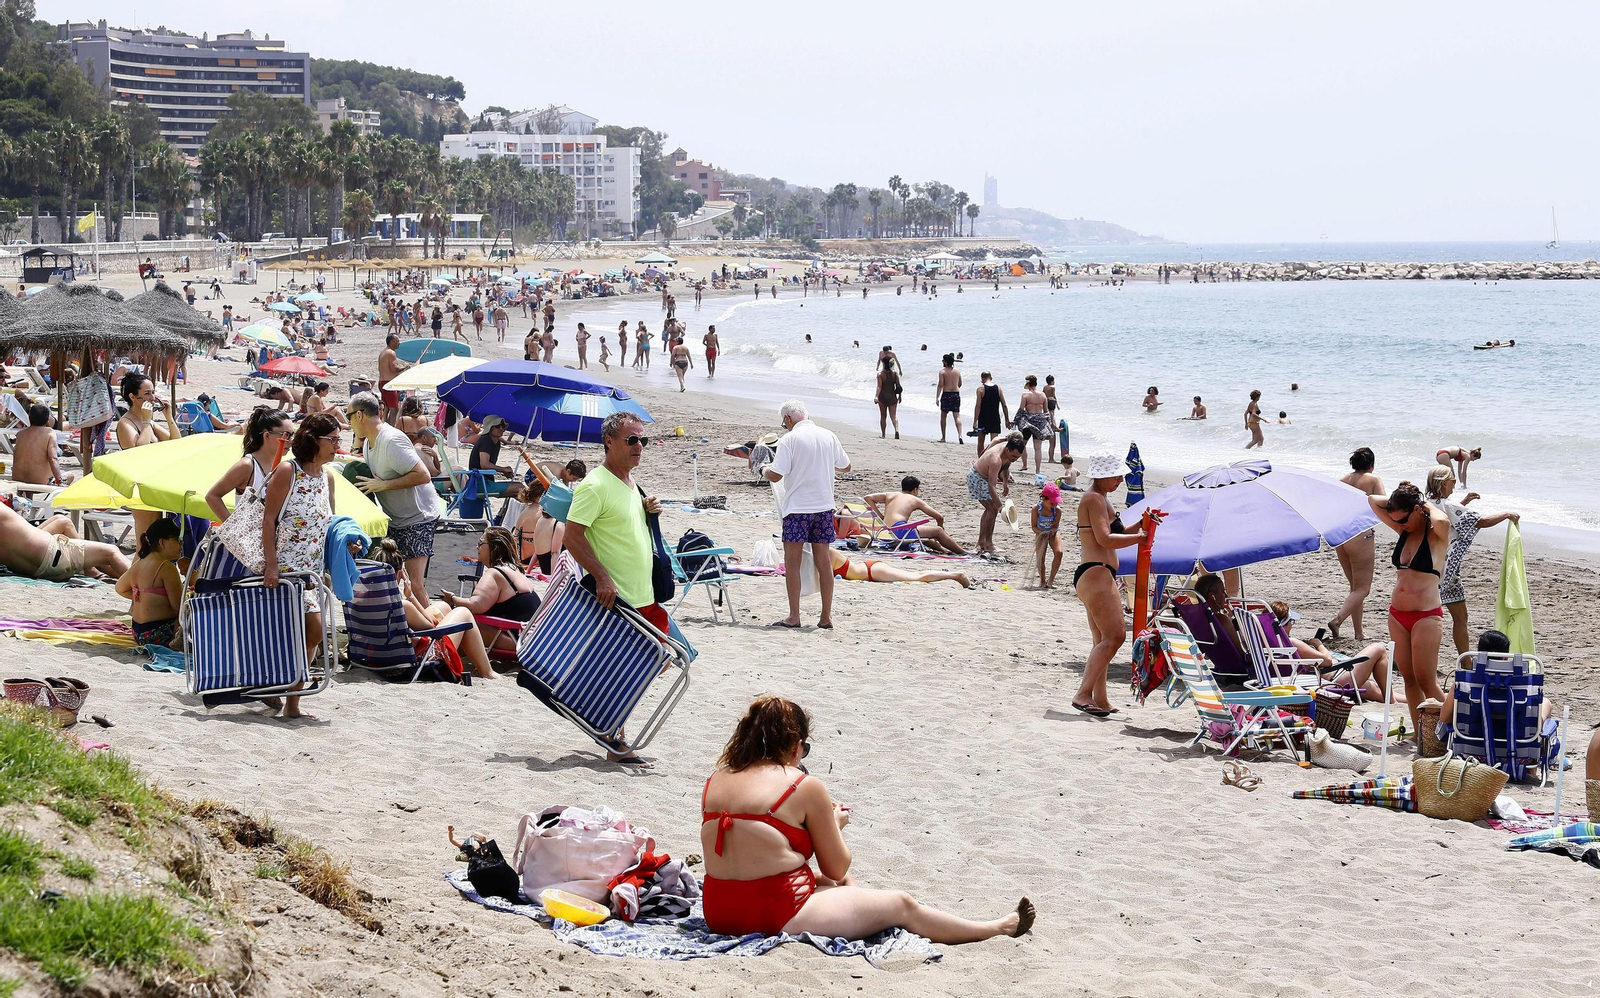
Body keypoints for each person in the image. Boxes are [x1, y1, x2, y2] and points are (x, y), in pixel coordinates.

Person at [700, 697, 1033, 941]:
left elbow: (756, 854)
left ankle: (860, 908)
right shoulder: (802, 785)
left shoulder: (717, 779)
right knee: (901, 904)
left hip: (718, 912)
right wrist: (835, 825)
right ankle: (996, 928)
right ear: (795, 745)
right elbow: (837, 866)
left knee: (832, 883)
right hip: (773, 915)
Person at [563, 412, 667, 766]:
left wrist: (648, 511)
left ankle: (608, 728)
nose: (640, 446)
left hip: (643, 593)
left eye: (643, 440)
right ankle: (612, 736)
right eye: (632, 440)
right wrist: (602, 577)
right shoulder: (595, 485)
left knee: (658, 660)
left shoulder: (629, 483)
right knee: (637, 663)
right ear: (609, 442)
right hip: (619, 596)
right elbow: (572, 536)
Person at [260, 413, 341, 721]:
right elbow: (269, 520)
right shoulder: (287, 471)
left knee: (311, 633)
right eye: (332, 439)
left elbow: (330, 523)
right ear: (313, 440)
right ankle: (280, 690)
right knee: (302, 632)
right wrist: (271, 566)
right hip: (285, 569)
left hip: (312, 572)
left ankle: (291, 700)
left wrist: (344, 546)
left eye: (338, 439)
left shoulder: (327, 476)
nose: (337, 446)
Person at [1368, 481, 1450, 734]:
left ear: (1417, 510)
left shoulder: (1436, 534)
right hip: (1398, 615)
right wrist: (1402, 504)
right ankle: (1421, 735)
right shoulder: (1403, 529)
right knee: (1409, 679)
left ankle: (1456, 728)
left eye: (1403, 519)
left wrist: (1423, 503)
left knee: (1427, 681)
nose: (1399, 525)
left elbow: (1443, 519)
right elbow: (1373, 500)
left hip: (1426, 616)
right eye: (1396, 521)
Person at [1071, 454, 1147, 716]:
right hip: (1096, 572)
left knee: (1103, 640)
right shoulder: (1093, 498)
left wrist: (1143, 524)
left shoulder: (1102, 498)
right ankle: (1083, 694)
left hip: (1097, 573)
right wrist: (1139, 538)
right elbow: (1104, 539)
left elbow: (1119, 532)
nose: (1120, 480)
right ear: (1101, 475)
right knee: (1115, 637)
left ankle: (1100, 698)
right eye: (1116, 476)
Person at [764, 400, 850, 629]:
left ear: (788, 419)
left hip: (798, 509)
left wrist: (763, 469)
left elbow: (776, 475)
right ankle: (826, 617)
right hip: (823, 506)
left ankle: (794, 616)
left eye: (784, 422)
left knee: (793, 562)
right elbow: (846, 465)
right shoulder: (828, 436)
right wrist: (823, 466)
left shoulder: (789, 439)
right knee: (824, 561)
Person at [348, 392, 441, 599]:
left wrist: (383, 485)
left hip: (419, 518)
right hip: (396, 520)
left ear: (359, 415)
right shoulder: (368, 443)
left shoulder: (391, 440)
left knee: (415, 585)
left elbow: (423, 475)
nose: (348, 423)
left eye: (349, 417)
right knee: (389, 580)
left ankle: (432, 622)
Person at [367, 536, 497, 679]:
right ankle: (488, 672)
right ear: (399, 574)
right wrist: (411, 596)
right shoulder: (401, 605)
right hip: (411, 663)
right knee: (463, 612)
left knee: (442, 606)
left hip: (376, 659)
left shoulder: (362, 599)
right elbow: (429, 628)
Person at [1427, 464, 1519, 657]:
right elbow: (1481, 522)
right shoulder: (1448, 506)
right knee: (1460, 618)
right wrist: (1506, 514)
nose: (1454, 484)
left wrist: (1464, 502)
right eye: (1452, 481)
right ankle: (1466, 662)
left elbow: (1448, 517)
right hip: (1447, 571)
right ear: (1443, 484)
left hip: (1426, 567)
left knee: (1425, 615)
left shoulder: (1426, 504)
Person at [435, 526, 536, 667]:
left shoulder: (496, 573)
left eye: (481, 543)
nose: (477, 547)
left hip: (517, 641)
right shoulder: (516, 571)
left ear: (494, 547)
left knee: (464, 625)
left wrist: (452, 599)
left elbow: (475, 605)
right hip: (532, 640)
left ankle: (437, 658)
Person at [1268, 600, 1393, 700]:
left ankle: (1398, 701)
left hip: (1310, 680)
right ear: (1284, 624)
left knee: (1374, 688)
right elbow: (1327, 661)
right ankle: (1391, 702)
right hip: (1334, 681)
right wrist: (1318, 644)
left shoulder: (1266, 644)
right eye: (1291, 622)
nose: (1292, 625)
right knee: (1379, 648)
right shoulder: (1291, 643)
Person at [1329, 447, 1384, 641]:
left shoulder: (1342, 480)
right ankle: (1337, 620)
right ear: (1371, 465)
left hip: (1340, 534)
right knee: (1362, 589)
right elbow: (1384, 504)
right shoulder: (1373, 480)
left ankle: (1359, 633)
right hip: (1360, 534)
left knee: (1355, 588)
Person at [116, 372, 177, 542]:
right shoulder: (125, 423)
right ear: (132, 397)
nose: (152, 398)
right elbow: (139, 451)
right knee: (146, 542)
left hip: (153, 484)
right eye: (147, 393)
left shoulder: (148, 421)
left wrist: (168, 416)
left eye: (153, 392)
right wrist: (145, 422)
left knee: (156, 542)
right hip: (139, 487)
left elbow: (176, 441)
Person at [0, 501, 128, 581]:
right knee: (111, 552)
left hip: (30, 568)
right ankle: (139, 584)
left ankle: (93, 570)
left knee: (61, 520)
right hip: (52, 555)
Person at [205, 408, 291, 524]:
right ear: (267, 436)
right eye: (286, 435)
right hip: (248, 534)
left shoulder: (280, 466)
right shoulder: (247, 466)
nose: (291, 440)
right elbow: (212, 496)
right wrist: (233, 527)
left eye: (292, 435)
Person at [115, 518, 184, 649]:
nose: (182, 543)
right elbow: (179, 608)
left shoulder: (140, 562)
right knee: (193, 614)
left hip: (139, 633)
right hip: (158, 634)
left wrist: (146, 598)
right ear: (162, 542)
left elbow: (120, 588)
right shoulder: (166, 567)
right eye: (177, 539)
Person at [861, 476, 965, 554]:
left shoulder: (890, 495)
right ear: (915, 489)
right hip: (899, 532)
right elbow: (939, 517)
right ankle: (963, 552)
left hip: (884, 531)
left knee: (922, 533)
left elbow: (867, 498)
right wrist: (941, 527)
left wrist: (880, 517)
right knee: (937, 531)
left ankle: (943, 550)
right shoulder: (914, 499)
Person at [968, 433, 1026, 556]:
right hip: (977, 477)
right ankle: (985, 544)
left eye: (1017, 457)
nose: (1015, 459)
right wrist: (1000, 506)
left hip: (985, 477)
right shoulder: (996, 460)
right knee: (992, 509)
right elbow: (991, 486)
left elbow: (1006, 465)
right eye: (1013, 456)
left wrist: (1005, 482)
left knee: (990, 509)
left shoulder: (1009, 452)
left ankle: (984, 543)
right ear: (1007, 450)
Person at [12, 404, 71, 486]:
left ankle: (28, 495)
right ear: (47, 420)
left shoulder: (20, 434)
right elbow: (53, 458)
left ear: (29, 418)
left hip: (18, 478)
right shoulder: (49, 433)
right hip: (40, 481)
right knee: (70, 475)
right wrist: (59, 480)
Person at [1014, 375, 1052, 472]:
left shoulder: (1025, 395)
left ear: (1028, 383)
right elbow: (1046, 412)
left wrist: (1015, 421)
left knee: (1022, 444)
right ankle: (1038, 470)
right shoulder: (1043, 395)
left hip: (1028, 423)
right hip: (1039, 423)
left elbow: (1021, 410)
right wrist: (1049, 424)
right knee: (1038, 448)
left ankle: (1024, 465)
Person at [1031, 481, 1064, 588]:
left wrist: (1052, 531)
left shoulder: (1057, 511)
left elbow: (1055, 526)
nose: (1055, 505)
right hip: (1041, 532)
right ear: (1044, 499)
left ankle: (1051, 581)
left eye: (1056, 503)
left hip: (1052, 532)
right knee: (1041, 557)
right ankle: (1042, 580)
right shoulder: (1036, 509)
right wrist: (1042, 533)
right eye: (1052, 503)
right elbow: (1034, 527)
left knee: (1059, 552)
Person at [972, 372, 1009, 456]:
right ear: (991, 378)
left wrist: (975, 421)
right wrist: (1007, 419)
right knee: (994, 442)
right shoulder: (998, 388)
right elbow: (1004, 405)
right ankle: (993, 458)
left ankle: (980, 459)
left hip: (983, 418)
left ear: (982, 379)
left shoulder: (980, 389)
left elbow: (978, 406)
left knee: (980, 441)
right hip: (995, 418)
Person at [377, 334, 408, 425]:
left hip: (382, 382)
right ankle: (391, 428)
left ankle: (383, 426)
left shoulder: (383, 352)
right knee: (394, 409)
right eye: (397, 341)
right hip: (389, 383)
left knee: (386, 408)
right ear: (391, 342)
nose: (399, 343)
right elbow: (394, 369)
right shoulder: (391, 353)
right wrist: (405, 367)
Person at [936, 353, 964, 443]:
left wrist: (937, 397)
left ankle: (943, 437)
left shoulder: (942, 372)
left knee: (943, 416)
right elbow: (960, 384)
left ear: (946, 362)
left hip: (946, 395)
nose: (942, 362)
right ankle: (960, 435)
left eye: (943, 361)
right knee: (957, 416)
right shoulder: (957, 371)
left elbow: (940, 385)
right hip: (956, 394)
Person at [874, 357, 902, 438]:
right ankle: (896, 430)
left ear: (883, 364)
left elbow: (879, 386)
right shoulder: (895, 374)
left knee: (883, 416)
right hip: (892, 398)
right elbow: (898, 386)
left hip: (882, 398)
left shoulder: (880, 374)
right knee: (894, 416)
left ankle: (883, 434)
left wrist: (876, 396)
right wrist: (900, 396)